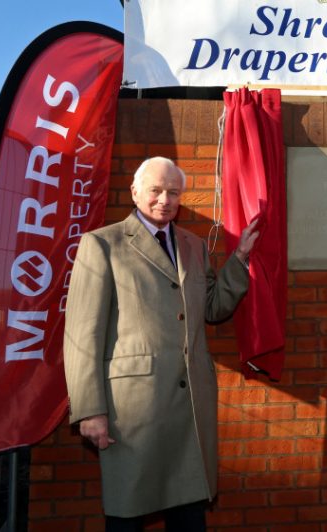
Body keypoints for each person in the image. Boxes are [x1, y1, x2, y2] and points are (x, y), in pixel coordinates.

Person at [63, 156, 260, 531]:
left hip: (189, 410)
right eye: (155, 190)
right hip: (132, 414)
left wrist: (240, 258)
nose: (164, 199)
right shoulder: (102, 244)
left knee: (188, 517)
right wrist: (90, 409)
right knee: (127, 517)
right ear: (135, 191)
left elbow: (214, 308)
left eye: (173, 192)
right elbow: (81, 335)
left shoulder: (194, 246)